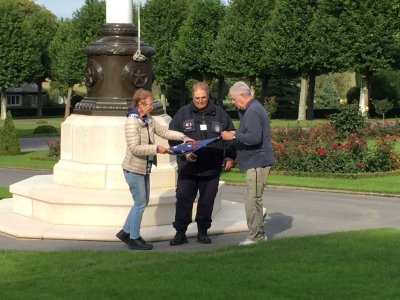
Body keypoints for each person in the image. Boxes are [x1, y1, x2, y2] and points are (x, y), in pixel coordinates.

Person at [117, 88, 192, 250]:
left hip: (143, 168)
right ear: (140, 104)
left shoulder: (148, 119)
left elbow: (164, 132)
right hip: (133, 169)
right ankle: (134, 239)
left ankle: (125, 232)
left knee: (141, 202)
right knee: (140, 203)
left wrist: (182, 137)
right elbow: (135, 148)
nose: (152, 106)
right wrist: (157, 149)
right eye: (150, 104)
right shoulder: (132, 122)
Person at [168, 82, 236, 245]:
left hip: (211, 167)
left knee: (207, 201)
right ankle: (180, 232)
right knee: (183, 199)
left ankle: (203, 232)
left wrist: (229, 156)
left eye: (203, 97)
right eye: (197, 98)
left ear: (208, 96)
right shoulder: (182, 114)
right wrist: (185, 153)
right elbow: (172, 138)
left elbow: (231, 136)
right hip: (188, 167)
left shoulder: (220, 114)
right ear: (193, 97)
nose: (200, 100)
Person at [221, 81, 275, 246]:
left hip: (257, 161)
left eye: (234, 99)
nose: (233, 102)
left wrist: (233, 137)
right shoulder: (252, 108)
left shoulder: (252, 111)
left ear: (243, 96)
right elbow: (252, 133)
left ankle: (256, 236)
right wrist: (237, 133)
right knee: (253, 199)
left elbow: (254, 138)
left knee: (252, 200)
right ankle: (258, 234)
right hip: (257, 161)